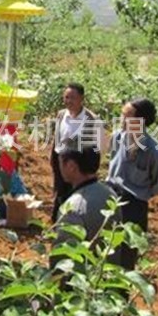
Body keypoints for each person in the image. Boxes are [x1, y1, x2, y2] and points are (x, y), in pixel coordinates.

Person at [106, 98, 158, 270]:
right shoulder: (118, 137)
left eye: (127, 116)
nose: (122, 119)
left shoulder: (154, 151)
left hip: (133, 206)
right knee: (104, 246)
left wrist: (139, 194)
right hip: (111, 197)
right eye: (122, 115)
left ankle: (121, 293)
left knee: (126, 255)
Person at [52, 143, 122, 267]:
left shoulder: (72, 207)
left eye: (61, 163)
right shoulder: (111, 194)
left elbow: (63, 257)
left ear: (72, 166)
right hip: (107, 271)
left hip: (84, 278)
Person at [49, 83, 105, 223]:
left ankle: (74, 222)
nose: (69, 101)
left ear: (82, 98)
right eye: (66, 97)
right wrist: (55, 159)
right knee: (60, 192)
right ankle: (56, 222)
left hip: (79, 165)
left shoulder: (92, 119)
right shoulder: (61, 115)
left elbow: (99, 146)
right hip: (61, 160)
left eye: (72, 98)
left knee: (77, 194)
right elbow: (56, 138)